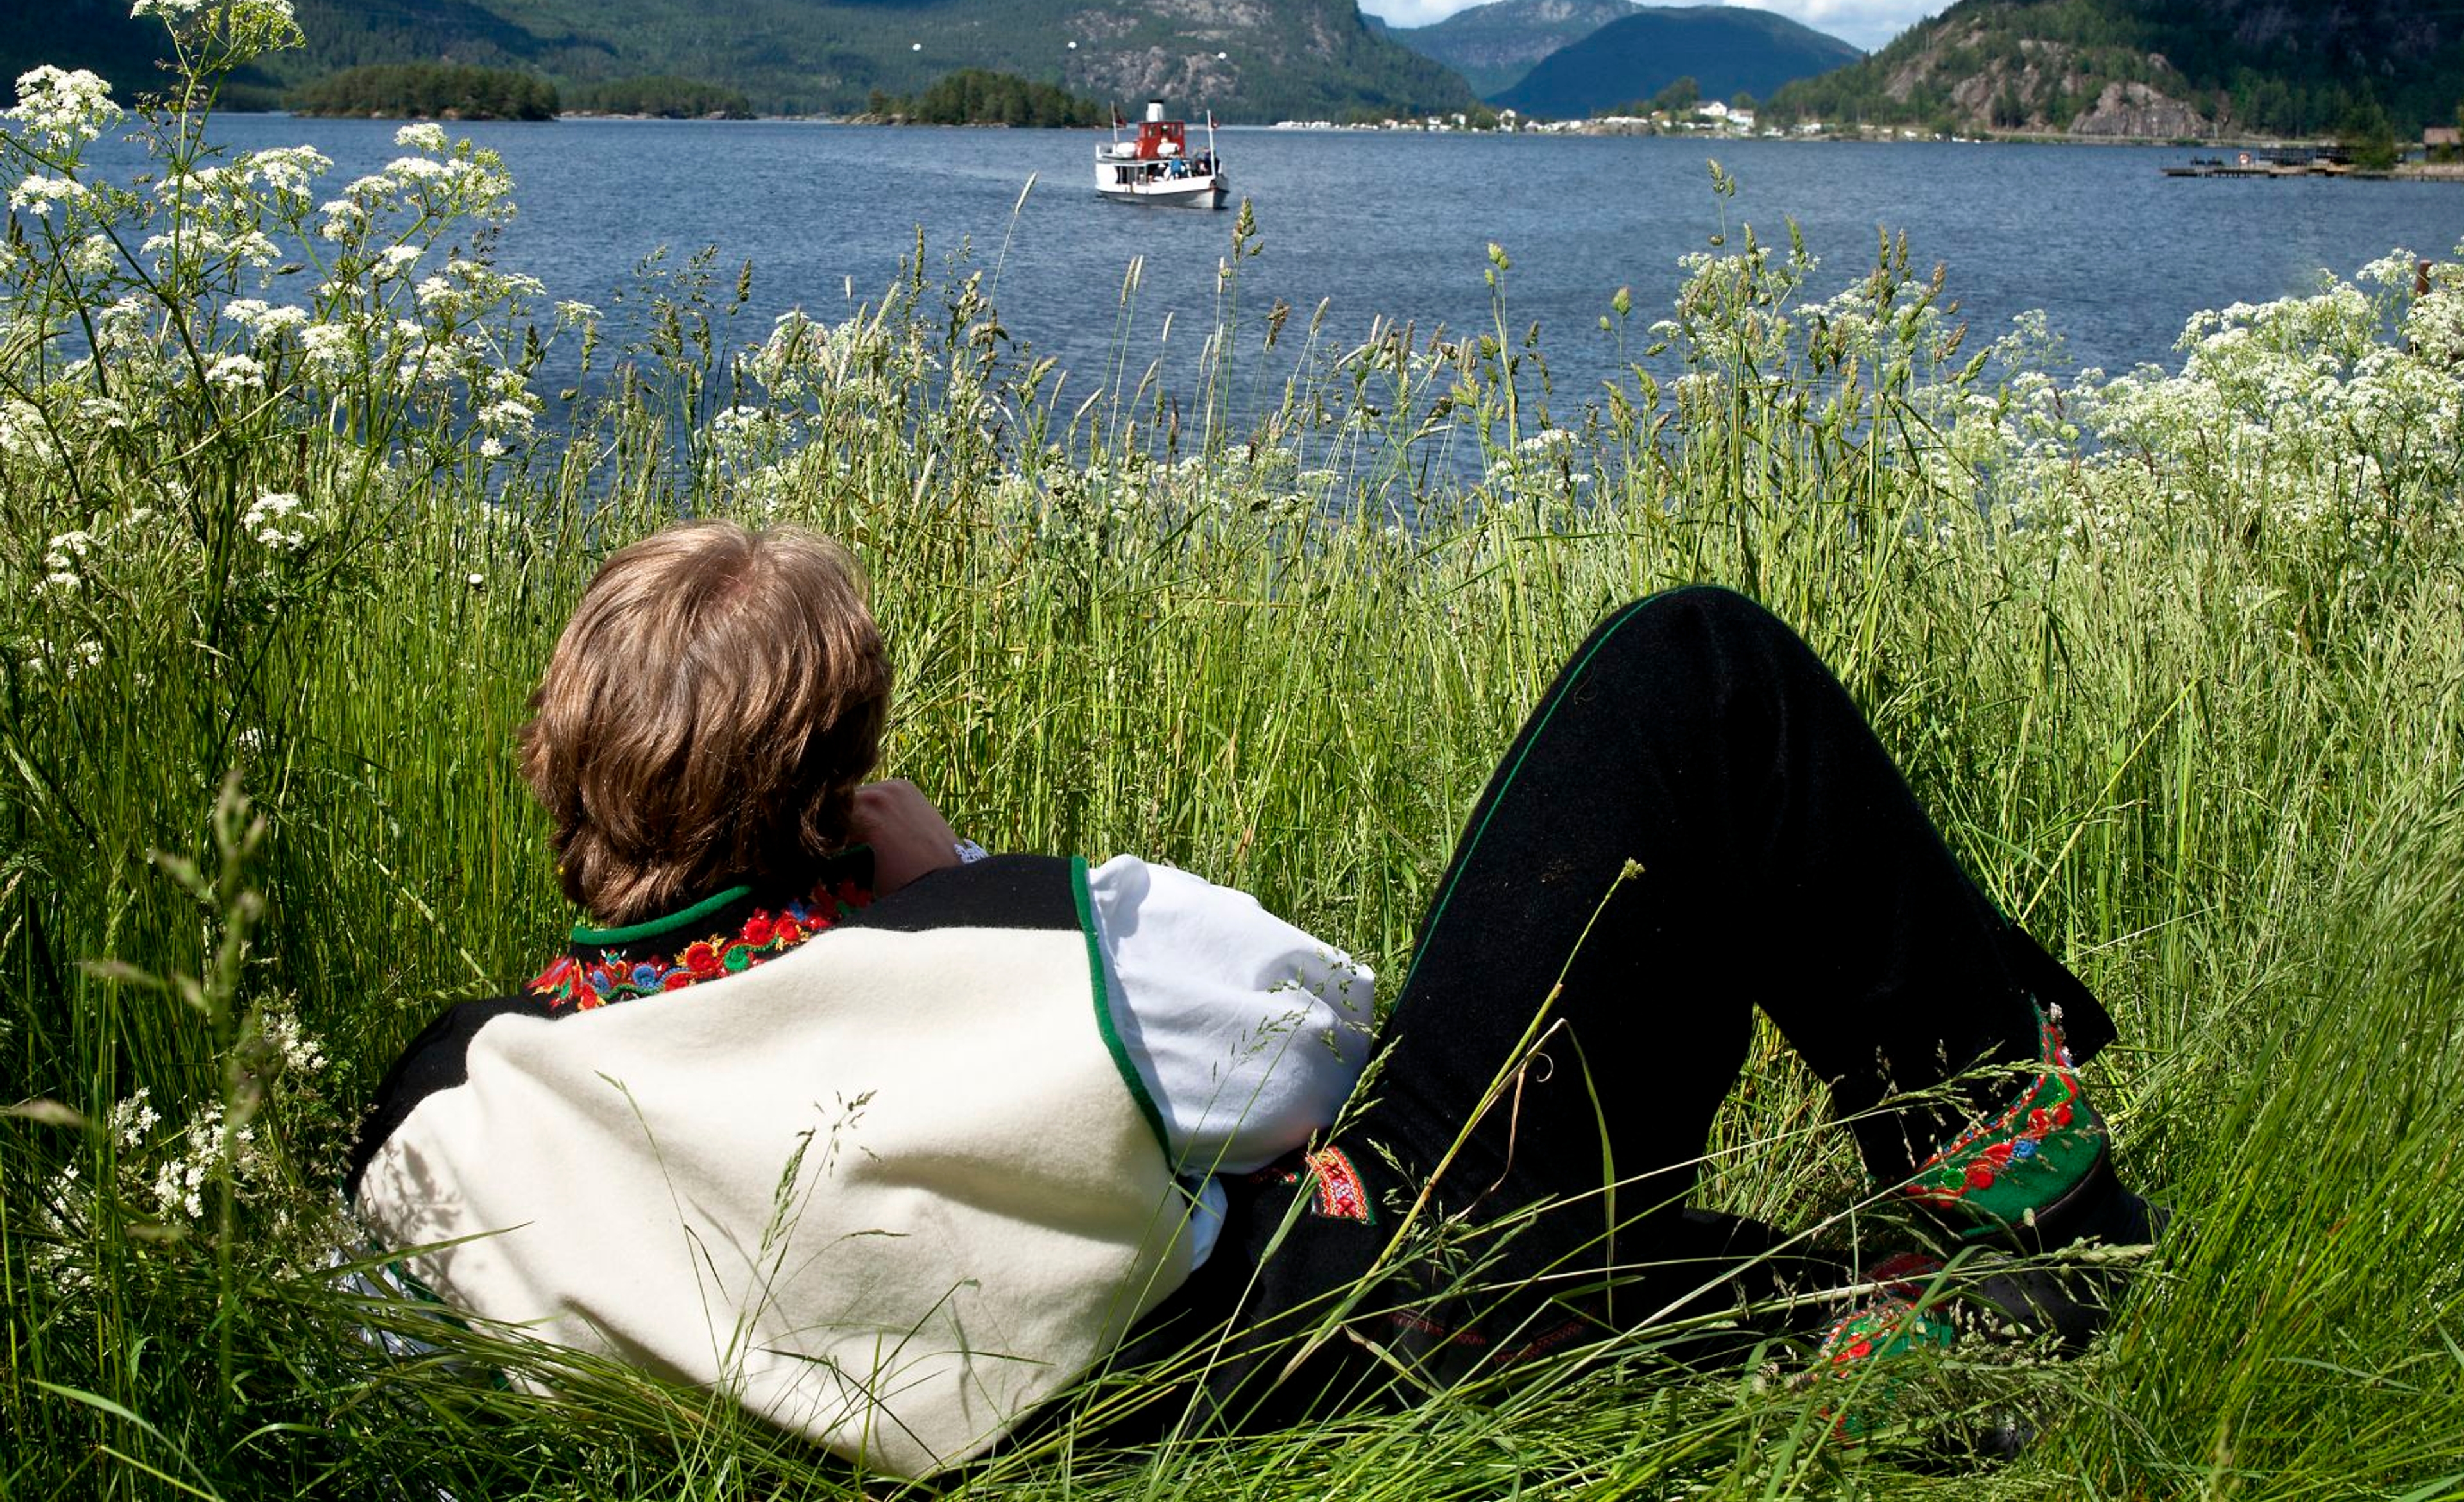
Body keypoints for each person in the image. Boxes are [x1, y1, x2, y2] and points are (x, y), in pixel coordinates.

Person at [350, 522, 2152, 1477]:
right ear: (841, 772)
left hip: (1133, 1417)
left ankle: (1936, 1197)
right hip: (1351, 1338)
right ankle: (2035, 1179)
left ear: (560, 772)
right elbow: (1318, 1042)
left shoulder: (462, 1107)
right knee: (1690, 676)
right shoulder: (991, 954)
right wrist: (961, 875)